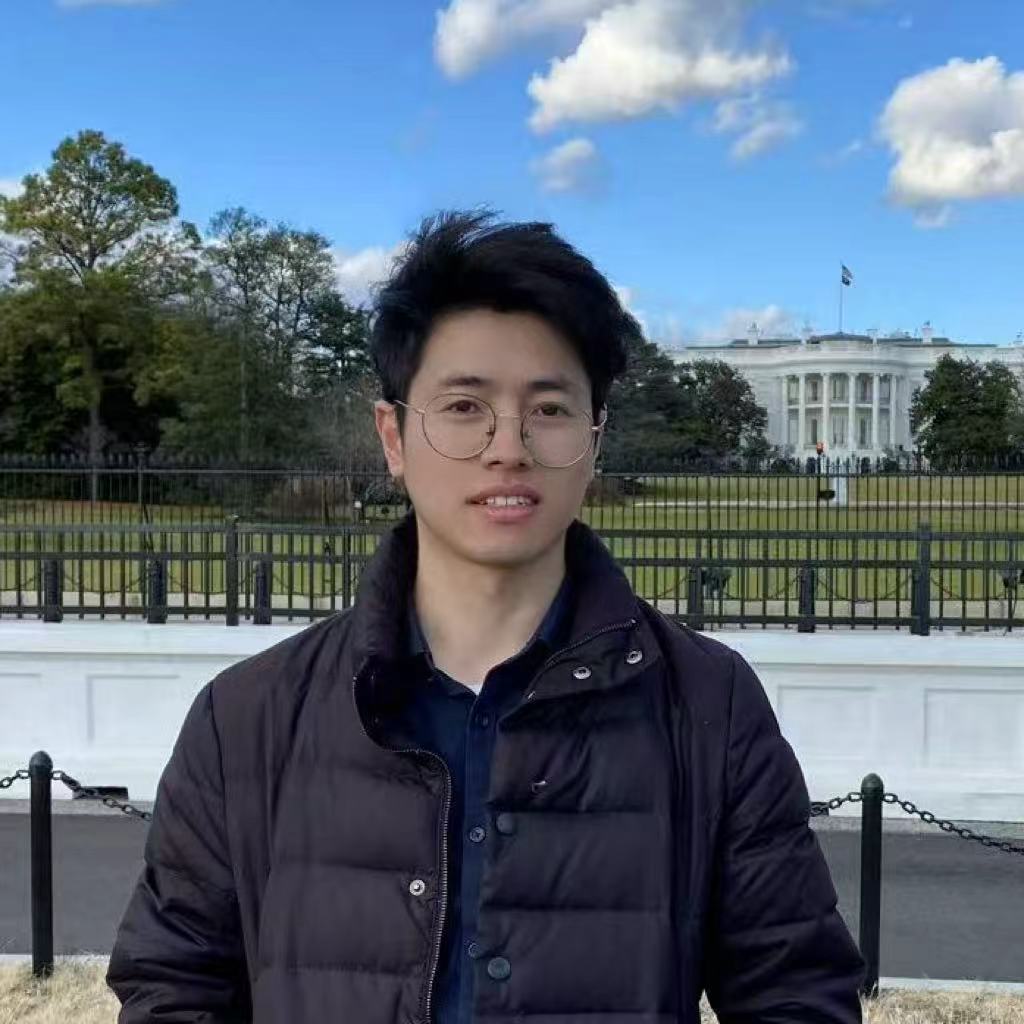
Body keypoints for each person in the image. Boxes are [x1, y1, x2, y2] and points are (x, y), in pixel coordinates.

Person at [106, 210, 866, 1023]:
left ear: (595, 437)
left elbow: (797, 993)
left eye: (549, 409)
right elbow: (174, 989)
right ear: (394, 436)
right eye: (465, 407)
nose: (509, 448)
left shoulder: (707, 706)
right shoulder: (248, 719)